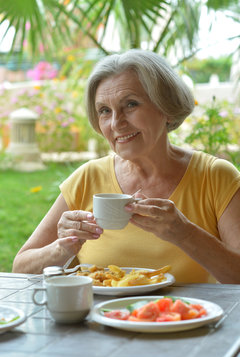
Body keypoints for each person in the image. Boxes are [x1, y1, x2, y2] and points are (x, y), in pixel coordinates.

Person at [12, 49, 240, 283]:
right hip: (101, 319)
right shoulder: (88, 177)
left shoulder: (215, 176)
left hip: (187, 317)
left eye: (130, 104)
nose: (116, 123)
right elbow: (20, 268)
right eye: (104, 111)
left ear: (166, 108)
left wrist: (185, 234)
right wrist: (63, 248)